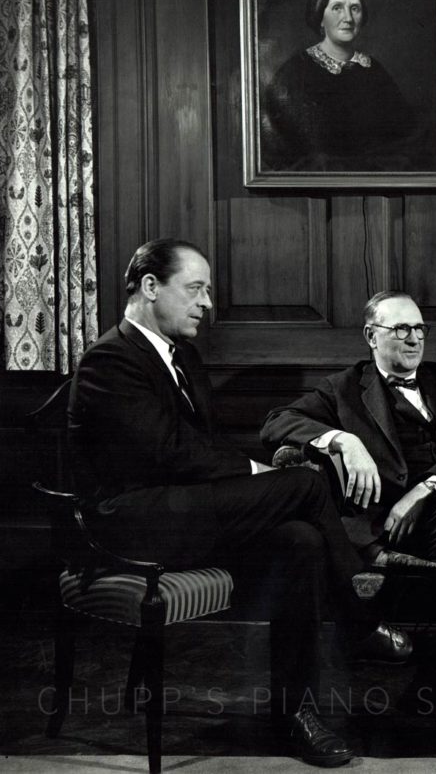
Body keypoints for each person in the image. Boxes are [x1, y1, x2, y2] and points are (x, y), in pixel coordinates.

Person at [68, 239, 411, 768]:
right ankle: (361, 619)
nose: (207, 303)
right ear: (151, 287)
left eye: (209, 291)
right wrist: (257, 473)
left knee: (299, 540)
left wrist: (252, 476)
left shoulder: (183, 355)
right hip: (129, 521)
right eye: (196, 289)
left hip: (181, 509)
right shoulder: (110, 359)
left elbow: (203, 450)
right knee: (306, 484)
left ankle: (296, 715)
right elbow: (168, 453)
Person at [260, 291, 436, 753]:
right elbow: (275, 424)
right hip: (386, 525)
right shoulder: (343, 388)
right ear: (371, 335)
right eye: (401, 329)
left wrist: (423, 491)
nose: (414, 338)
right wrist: (342, 440)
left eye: (420, 329)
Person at [260, 0, 436, 172]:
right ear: (320, 16)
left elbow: (402, 136)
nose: (348, 18)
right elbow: (278, 146)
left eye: (354, 8)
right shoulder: (294, 72)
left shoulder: (374, 70)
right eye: (337, 8)